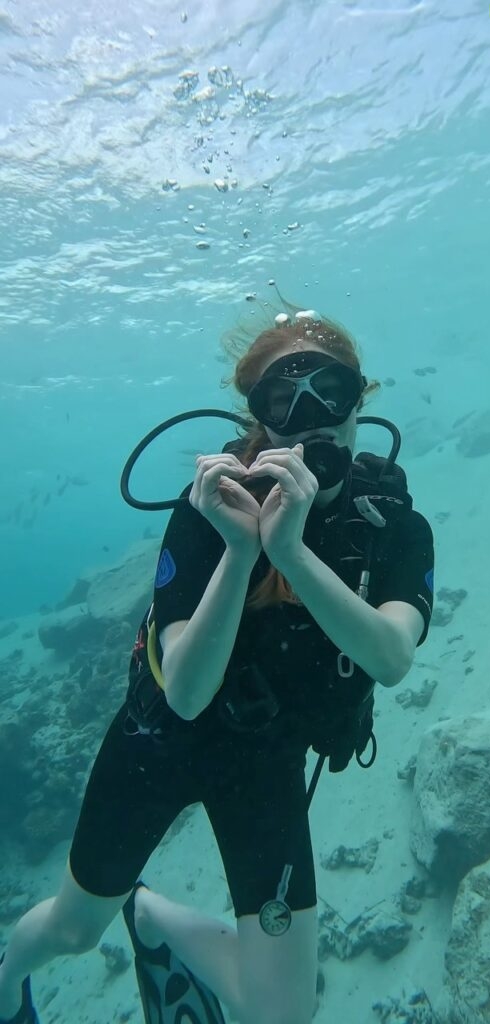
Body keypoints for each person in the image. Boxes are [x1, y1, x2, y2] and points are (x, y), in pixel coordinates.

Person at [0, 305, 434, 1024]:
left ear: (362, 397)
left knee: (283, 1014)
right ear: (259, 414)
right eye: (283, 398)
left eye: (332, 390)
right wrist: (243, 550)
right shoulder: (210, 508)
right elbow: (189, 695)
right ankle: (11, 970)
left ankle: (153, 922)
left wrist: (291, 550)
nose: (312, 415)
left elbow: (390, 660)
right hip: (159, 747)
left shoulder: (391, 525)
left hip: (265, 764)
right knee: (76, 932)